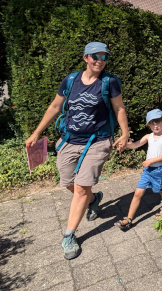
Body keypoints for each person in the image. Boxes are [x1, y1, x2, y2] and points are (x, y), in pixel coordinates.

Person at [24, 42, 129, 260]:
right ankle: (93, 200)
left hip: (98, 140)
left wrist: (125, 133)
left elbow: (119, 108)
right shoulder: (71, 81)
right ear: (85, 58)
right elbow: (55, 107)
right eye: (95, 56)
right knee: (67, 182)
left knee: (81, 188)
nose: (99, 60)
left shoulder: (109, 82)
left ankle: (69, 235)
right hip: (70, 139)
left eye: (104, 56)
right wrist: (36, 133)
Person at [115, 109, 162, 230]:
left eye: (158, 122)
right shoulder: (148, 136)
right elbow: (135, 144)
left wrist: (150, 161)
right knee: (137, 193)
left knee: (161, 191)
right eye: (152, 123)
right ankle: (129, 219)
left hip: (159, 170)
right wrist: (124, 145)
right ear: (149, 125)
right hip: (147, 171)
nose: (155, 125)